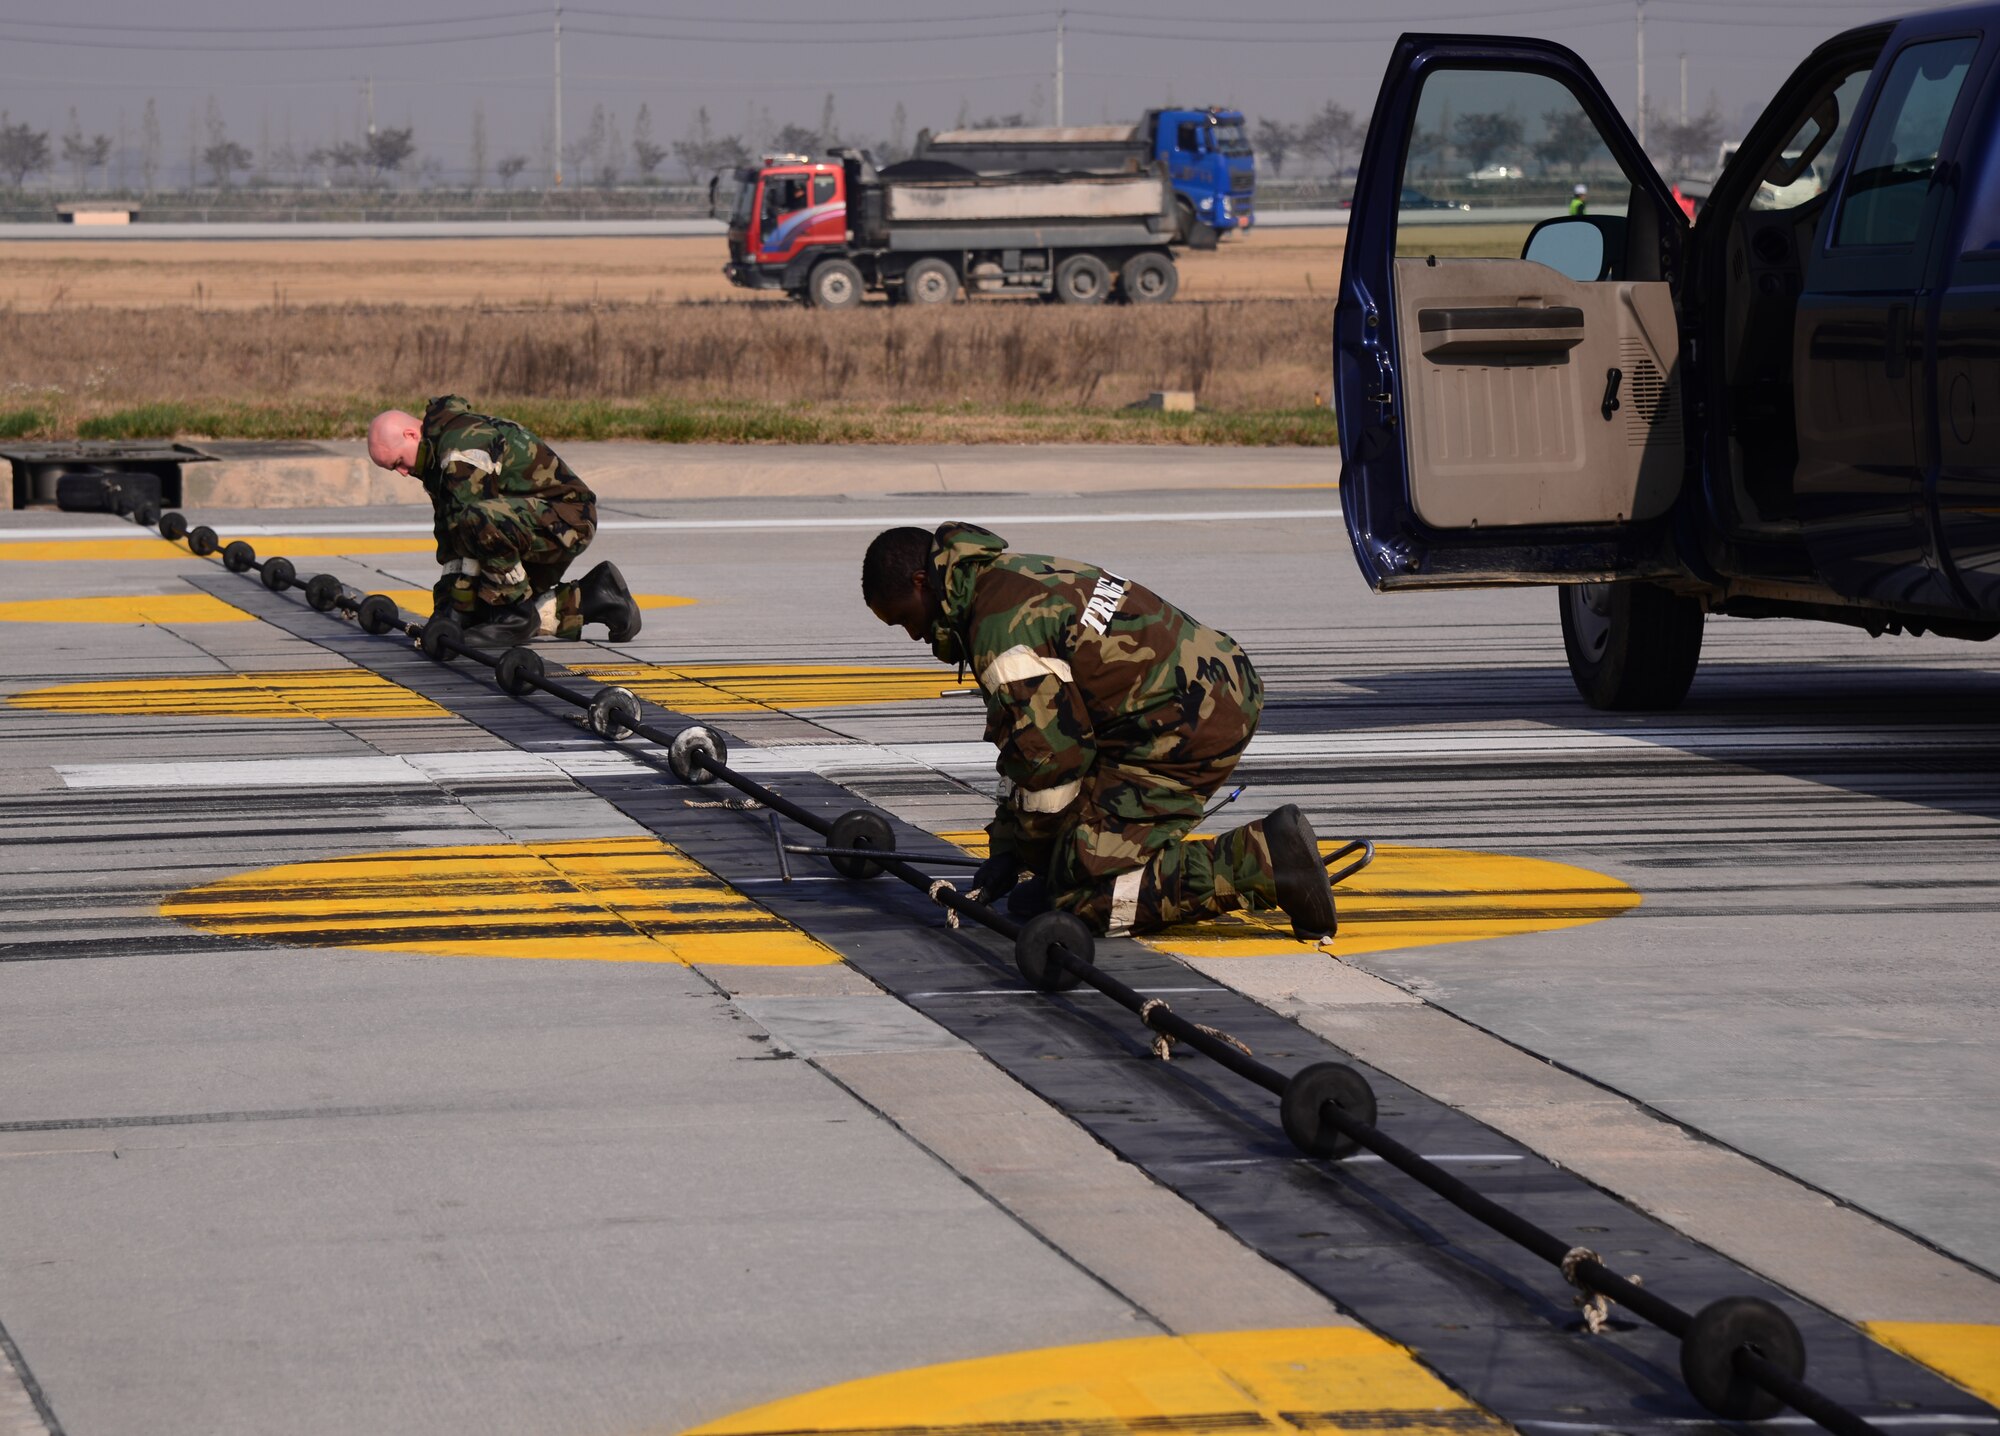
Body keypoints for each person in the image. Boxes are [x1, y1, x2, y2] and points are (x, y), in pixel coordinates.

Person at [862, 522, 1339, 940]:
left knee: (1079, 900)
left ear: (922, 583)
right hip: (1195, 694)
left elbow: (1049, 768)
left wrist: (1028, 857)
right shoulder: (1003, 575)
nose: (913, 635)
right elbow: (1032, 749)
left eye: (905, 617)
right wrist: (1011, 846)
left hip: (1184, 729)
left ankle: (1266, 862)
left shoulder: (1002, 637)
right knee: (1064, 860)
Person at [366, 397, 642, 649]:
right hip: (522, 526)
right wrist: (446, 612)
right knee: (482, 617)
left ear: (411, 434)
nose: (402, 473)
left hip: (566, 520)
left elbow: (474, 525)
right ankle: (599, 596)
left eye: (399, 462)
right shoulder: (437, 460)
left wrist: (458, 611)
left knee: (497, 596)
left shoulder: (461, 447)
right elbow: (452, 541)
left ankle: (515, 615)